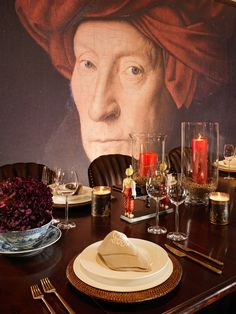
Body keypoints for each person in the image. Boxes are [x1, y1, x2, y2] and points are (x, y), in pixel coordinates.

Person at [15, 1, 235, 183]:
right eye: (88, 64)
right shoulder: (53, 172)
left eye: (133, 70)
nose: (99, 109)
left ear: (179, 81)